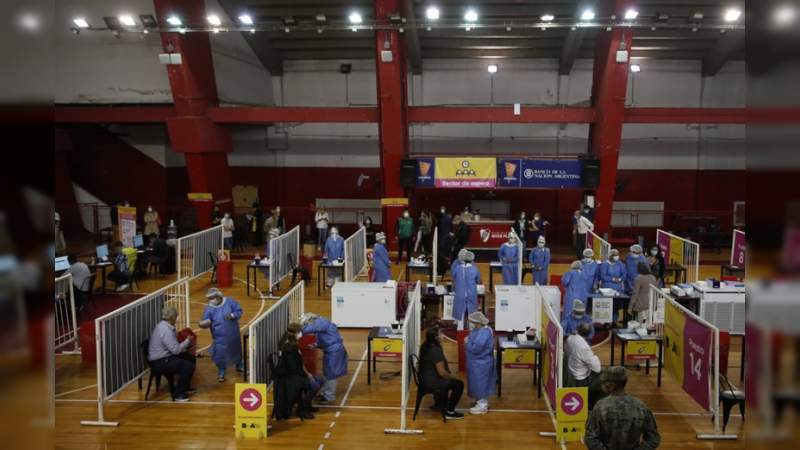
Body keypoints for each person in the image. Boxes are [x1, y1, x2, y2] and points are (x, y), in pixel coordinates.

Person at [585, 366, 661, 450]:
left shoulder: (600, 407)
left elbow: (590, 438)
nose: (601, 384)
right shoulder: (640, 406)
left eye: (603, 382)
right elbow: (653, 438)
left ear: (611, 385)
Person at [148, 306, 196, 402]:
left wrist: (186, 349)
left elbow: (174, 347)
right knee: (187, 366)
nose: (177, 318)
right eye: (176, 316)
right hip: (160, 361)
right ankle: (179, 394)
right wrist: (187, 341)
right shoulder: (165, 330)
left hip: (166, 355)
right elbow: (176, 350)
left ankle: (185, 387)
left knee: (191, 359)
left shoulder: (166, 326)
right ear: (171, 318)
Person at [273, 324, 321, 420]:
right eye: (299, 332)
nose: (301, 334)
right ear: (295, 333)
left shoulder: (293, 344)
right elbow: (293, 368)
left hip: (296, 374)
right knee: (315, 385)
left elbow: (300, 363)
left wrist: (308, 374)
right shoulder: (289, 348)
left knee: (320, 380)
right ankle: (303, 408)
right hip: (290, 377)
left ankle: (306, 406)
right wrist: (307, 376)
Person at [300, 313, 348, 403]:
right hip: (332, 350)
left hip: (334, 351)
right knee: (327, 373)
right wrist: (315, 345)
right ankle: (325, 393)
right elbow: (324, 337)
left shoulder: (320, 322)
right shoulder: (322, 322)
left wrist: (298, 329)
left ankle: (329, 396)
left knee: (331, 374)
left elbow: (306, 330)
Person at [418, 326, 465, 419]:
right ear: (436, 337)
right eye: (441, 334)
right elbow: (442, 373)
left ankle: (439, 404)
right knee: (459, 384)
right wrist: (452, 377)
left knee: (448, 380)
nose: (443, 335)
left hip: (424, 378)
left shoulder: (425, 345)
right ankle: (450, 412)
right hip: (430, 382)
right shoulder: (435, 350)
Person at [198, 288, 243, 382]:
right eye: (210, 298)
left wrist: (232, 315)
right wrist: (203, 323)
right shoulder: (209, 308)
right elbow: (205, 320)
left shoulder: (230, 302)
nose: (211, 300)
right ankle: (221, 371)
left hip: (233, 333)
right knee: (220, 354)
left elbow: (239, 311)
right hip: (219, 337)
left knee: (236, 349)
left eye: (213, 298)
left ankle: (239, 365)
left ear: (218, 296)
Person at [565, 323, 604, 410]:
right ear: (590, 333)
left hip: (571, 372)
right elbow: (597, 368)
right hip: (581, 379)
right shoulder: (584, 347)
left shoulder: (571, 338)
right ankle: (593, 407)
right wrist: (595, 357)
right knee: (605, 379)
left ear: (578, 330)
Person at [465, 311, 495, 415]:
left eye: (472, 322)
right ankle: (479, 401)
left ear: (477, 322)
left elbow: (476, 348)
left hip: (481, 363)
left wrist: (467, 342)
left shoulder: (483, 333)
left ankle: (482, 406)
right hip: (476, 363)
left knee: (481, 384)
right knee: (476, 383)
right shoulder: (480, 330)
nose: (472, 324)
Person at [451, 249, 481, 329]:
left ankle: (460, 331)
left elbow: (453, 277)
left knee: (460, 314)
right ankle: (472, 330)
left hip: (460, 293)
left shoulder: (457, 268)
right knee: (472, 314)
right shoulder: (475, 269)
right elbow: (478, 280)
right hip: (471, 293)